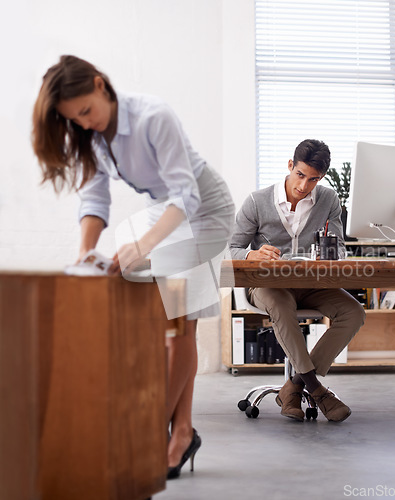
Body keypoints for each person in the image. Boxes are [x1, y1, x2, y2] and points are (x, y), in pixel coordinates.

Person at [32, 55, 235, 478]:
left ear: (100, 84)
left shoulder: (152, 116)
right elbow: (94, 197)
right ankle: (180, 433)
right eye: (74, 119)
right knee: (178, 325)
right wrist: (85, 254)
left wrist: (143, 246)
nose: (84, 123)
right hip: (166, 214)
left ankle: (143, 434)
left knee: (177, 323)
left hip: (204, 211)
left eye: (86, 111)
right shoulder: (89, 134)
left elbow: (188, 196)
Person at [229, 139, 365, 422]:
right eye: (300, 175)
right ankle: (318, 390)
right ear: (290, 166)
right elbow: (231, 249)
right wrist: (252, 254)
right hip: (266, 286)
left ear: (322, 177)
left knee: (353, 312)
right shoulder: (256, 201)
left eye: (313, 179)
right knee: (280, 304)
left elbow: (339, 247)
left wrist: (328, 251)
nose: (304, 186)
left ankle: (294, 387)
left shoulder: (328, 200)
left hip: (311, 284)